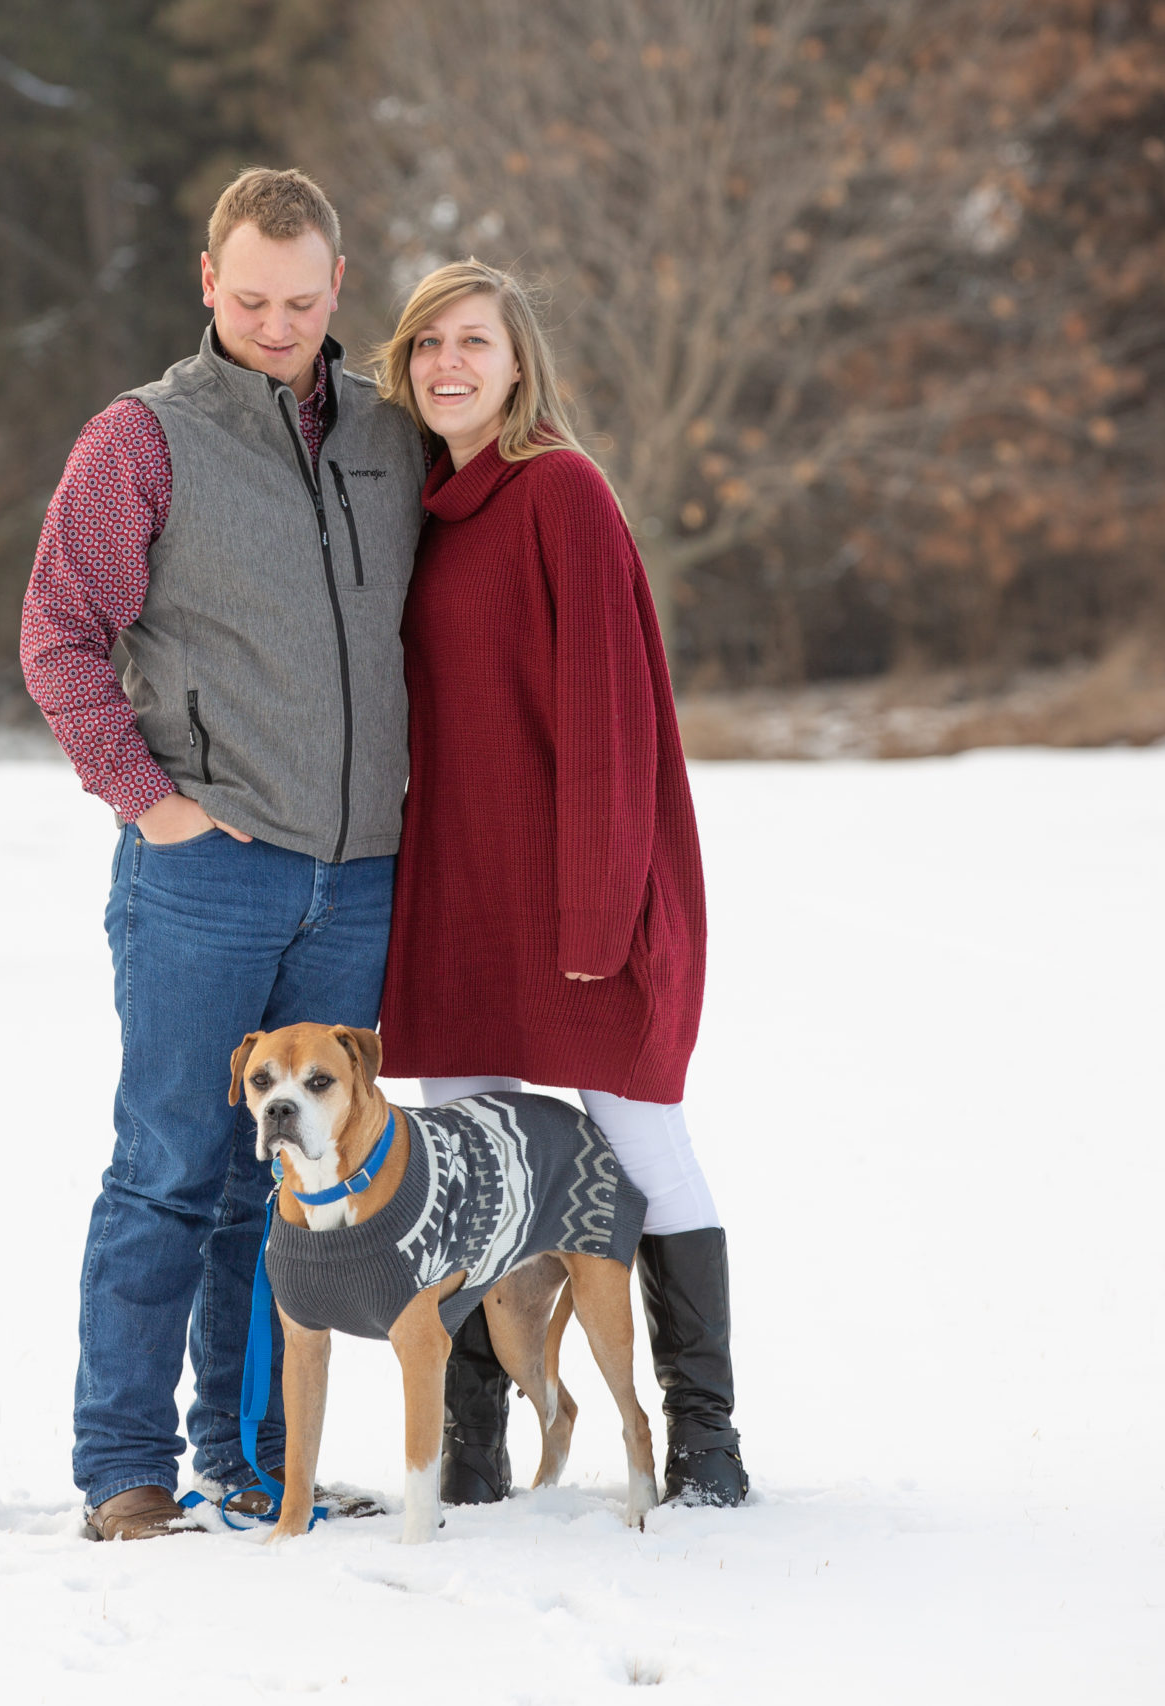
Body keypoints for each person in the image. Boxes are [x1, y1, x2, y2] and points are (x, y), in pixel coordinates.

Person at [19, 168, 427, 1541]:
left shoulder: (387, 434)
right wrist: (148, 800)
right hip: (206, 868)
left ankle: (258, 1458)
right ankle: (128, 1471)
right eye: (248, 297)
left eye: (301, 302)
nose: (274, 322)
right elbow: (59, 633)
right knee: (173, 1168)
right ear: (207, 280)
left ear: (339, 285)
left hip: (357, 871)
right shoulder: (144, 438)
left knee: (304, 1179)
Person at [373, 259, 748, 1508]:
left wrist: (600, 908)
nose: (447, 366)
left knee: (640, 1142)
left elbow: (610, 715)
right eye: (425, 345)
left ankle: (705, 1440)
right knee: (467, 1169)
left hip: (578, 884)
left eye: (471, 342)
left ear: (516, 360)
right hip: (456, 885)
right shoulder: (413, 509)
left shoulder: (564, 493)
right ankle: (474, 1446)